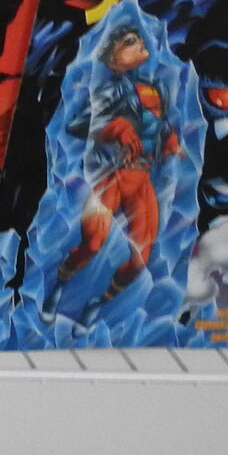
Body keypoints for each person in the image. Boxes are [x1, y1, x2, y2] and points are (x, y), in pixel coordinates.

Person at [45, 24, 181, 323]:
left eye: (139, 39)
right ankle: (59, 286)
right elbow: (77, 125)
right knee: (93, 243)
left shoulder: (156, 89)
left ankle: (99, 302)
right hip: (111, 178)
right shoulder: (112, 89)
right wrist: (113, 128)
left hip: (142, 181)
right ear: (113, 59)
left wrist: (169, 140)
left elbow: (158, 127)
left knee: (140, 260)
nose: (139, 43)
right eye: (129, 42)